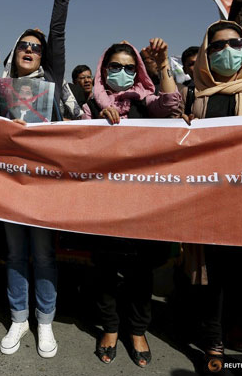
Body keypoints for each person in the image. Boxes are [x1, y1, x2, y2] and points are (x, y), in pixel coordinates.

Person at [181, 20, 242, 372]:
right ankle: (214, 348)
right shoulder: (196, 99)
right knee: (214, 283)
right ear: (206, 56)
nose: (227, 51)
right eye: (217, 46)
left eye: (236, 43)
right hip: (211, 207)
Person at [0, 0, 73, 358]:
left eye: (35, 49)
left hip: (40, 185)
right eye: (23, 45)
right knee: (16, 254)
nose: (30, 50)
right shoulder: (1, 89)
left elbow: (56, 35)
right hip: (9, 184)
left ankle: (44, 322)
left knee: (43, 254)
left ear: (42, 58)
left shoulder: (52, 83)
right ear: (15, 52)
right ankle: (18, 317)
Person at [82, 39, 180, 367]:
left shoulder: (146, 100)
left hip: (141, 205)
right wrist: (95, 122)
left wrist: (163, 67)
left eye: (129, 67)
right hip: (102, 205)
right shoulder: (90, 106)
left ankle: (137, 330)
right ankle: (110, 327)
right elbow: (76, 145)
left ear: (137, 70)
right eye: (115, 67)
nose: (122, 72)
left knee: (141, 273)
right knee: (105, 270)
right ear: (103, 70)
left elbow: (171, 104)